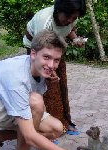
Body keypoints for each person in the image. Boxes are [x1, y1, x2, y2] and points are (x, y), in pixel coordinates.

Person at [23, 0, 86, 136]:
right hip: (39, 51)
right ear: (58, 11)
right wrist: (50, 70)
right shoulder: (44, 21)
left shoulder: (71, 19)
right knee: (50, 89)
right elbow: (41, 50)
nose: (70, 20)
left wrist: (75, 39)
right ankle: (49, 128)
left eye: (74, 18)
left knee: (62, 85)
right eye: (68, 16)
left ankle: (65, 121)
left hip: (56, 48)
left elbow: (69, 30)